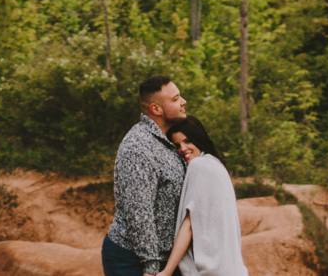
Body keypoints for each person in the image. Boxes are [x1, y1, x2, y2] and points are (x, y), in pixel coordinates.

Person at [103, 76, 190, 276]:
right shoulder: (138, 147)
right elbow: (139, 213)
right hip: (131, 259)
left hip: (164, 256)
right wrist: (151, 267)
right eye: (176, 99)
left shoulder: (167, 140)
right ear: (156, 109)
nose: (183, 101)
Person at [159, 116, 243, 276]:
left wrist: (167, 271)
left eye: (188, 141)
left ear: (199, 138)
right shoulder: (217, 166)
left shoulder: (199, 165)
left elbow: (190, 223)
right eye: (177, 145)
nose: (182, 149)